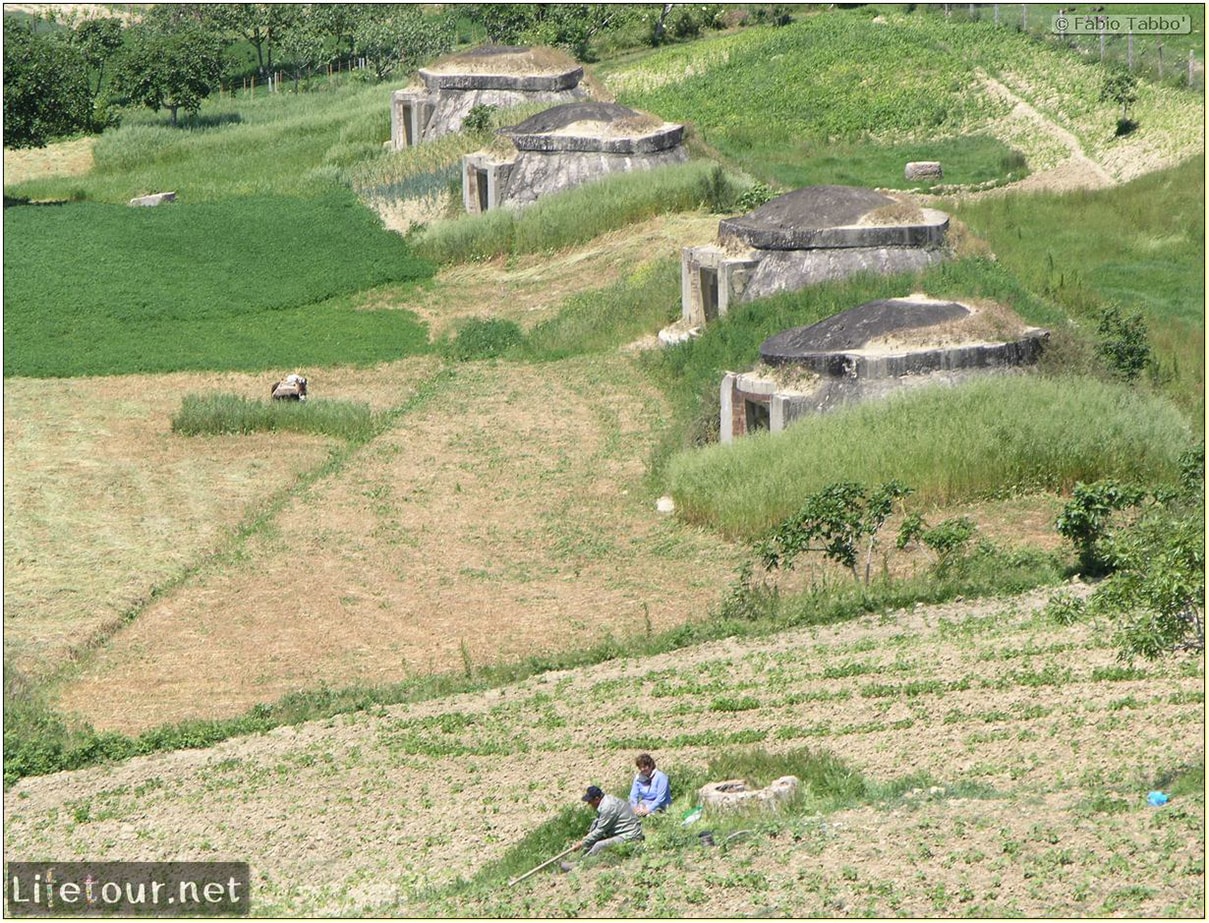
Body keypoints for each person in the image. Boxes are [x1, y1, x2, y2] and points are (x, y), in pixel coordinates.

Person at [577, 785, 644, 856]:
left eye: (590, 801)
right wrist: (586, 839)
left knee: (598, 845)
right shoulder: (606, 801)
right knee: (594, 841)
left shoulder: (608, 807)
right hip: (620, 832)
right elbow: (598, 824)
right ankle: (586, 853)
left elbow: (600, 830)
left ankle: (581, 863)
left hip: (630, 836)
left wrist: (583, 843)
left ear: (597, 799)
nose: (589, 804)